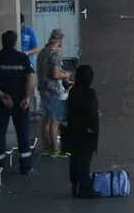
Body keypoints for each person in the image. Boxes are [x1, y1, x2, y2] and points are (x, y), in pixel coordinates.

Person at [0, 30, 36, 175]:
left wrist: (2, 95)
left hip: (0, 102)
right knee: (22, 132)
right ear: (15, 42)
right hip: (19, 101)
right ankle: (25, 166)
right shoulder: (22, 58)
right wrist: (27, 97)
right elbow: (29, 79)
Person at [37, 28, 71, 157]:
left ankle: (47, 147)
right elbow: (55, 74)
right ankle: (56, 150)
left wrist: (64, 77)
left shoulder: (42, 53)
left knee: (45, 120)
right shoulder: (54, 55)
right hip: (54, 91)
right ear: (60, 40)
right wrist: (66, 75)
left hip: (43, 90)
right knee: (55, 121)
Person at [66, 64, 100, 197]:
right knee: (85, 159)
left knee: (75, 158)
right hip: (86, 132)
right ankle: (85, 186)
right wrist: (92, 127)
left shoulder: (73, 91)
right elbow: (91, 112)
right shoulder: (89, 93)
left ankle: (75, 184)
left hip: (74, 129)